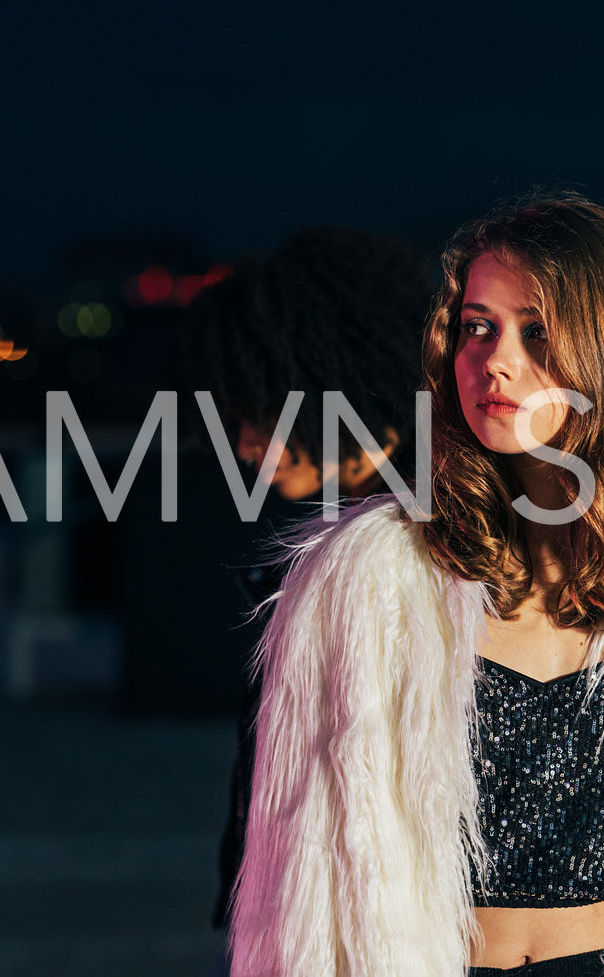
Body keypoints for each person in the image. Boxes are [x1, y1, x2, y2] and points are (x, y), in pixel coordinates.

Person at [228, 197, 604, 975]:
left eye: (535, 330)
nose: (495, 359)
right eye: (476, 326)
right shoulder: (365, 581)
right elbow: (300, 883)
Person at [182, 225, 429, 932]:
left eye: (256, 409)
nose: (242, 443)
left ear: (325, 384)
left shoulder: (423, 537)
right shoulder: (370, 518)